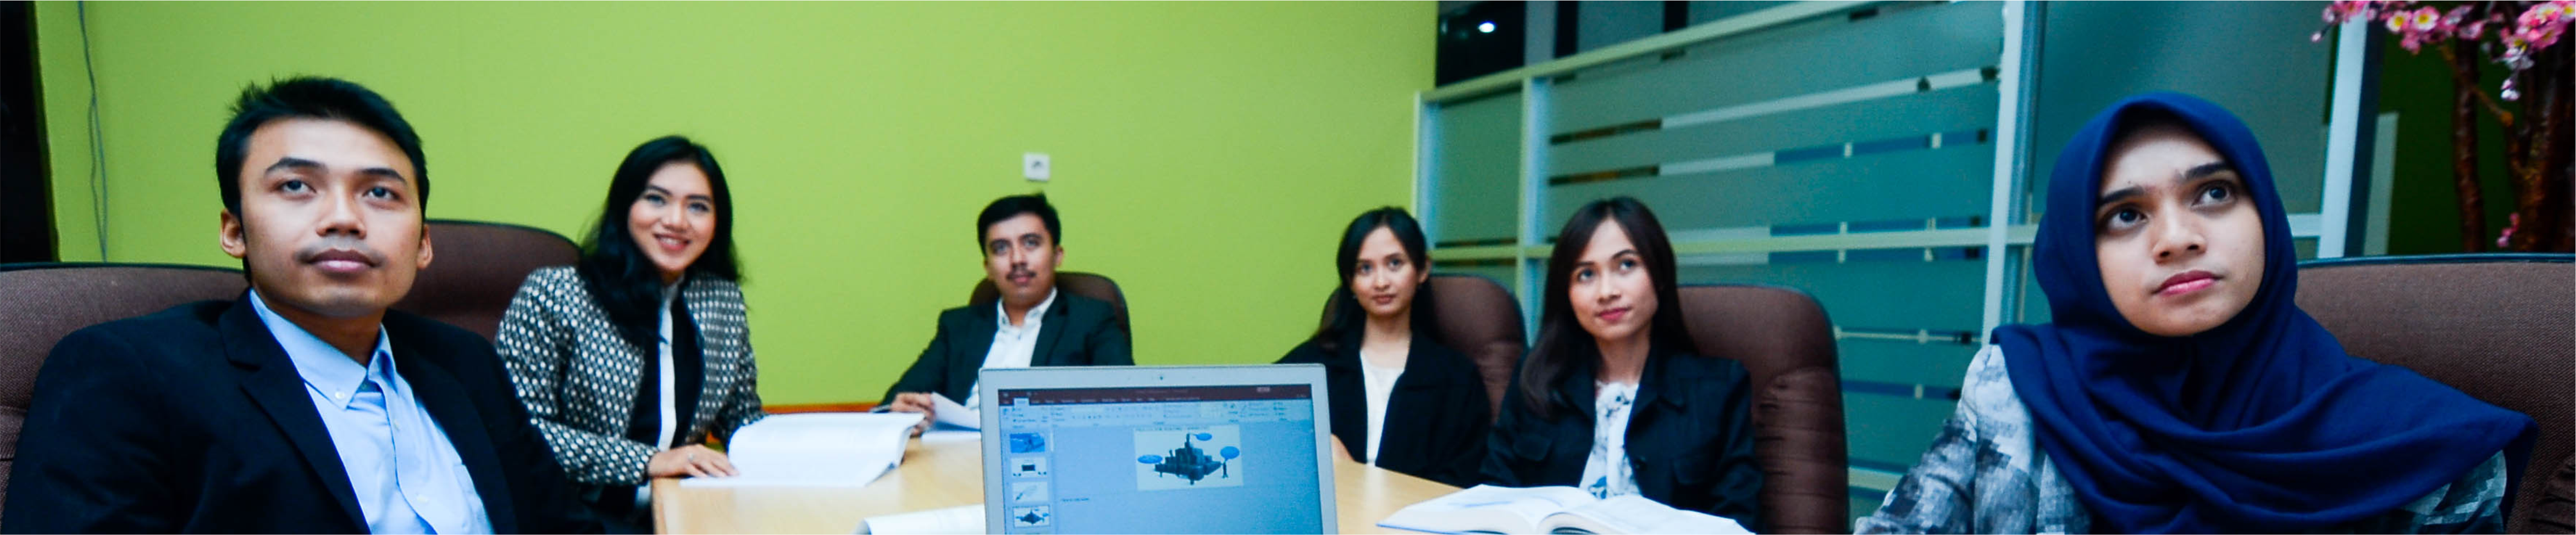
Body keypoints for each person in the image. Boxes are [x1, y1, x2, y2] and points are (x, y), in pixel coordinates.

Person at [1855, 92, 2535, 533]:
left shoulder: (2422, 451)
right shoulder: (2017, 389)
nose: (2177, 238)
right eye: (2126, 215)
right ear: (2078, 257)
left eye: (2213, 193)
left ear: (2266, 214)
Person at [2, 76, 598, 533]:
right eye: (296, 186)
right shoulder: (125, 374)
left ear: (422, 243)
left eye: (380, 192)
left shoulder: (463, 362)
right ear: (234, 230)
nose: (344, 218)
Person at [493, 136, 765, 531]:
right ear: (625, 208)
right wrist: (648, 461)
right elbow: (522, 431)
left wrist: (827, 449)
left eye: (698, 207)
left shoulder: (721, 300)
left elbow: (742, 419)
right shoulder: (556, 293)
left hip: (680, 511)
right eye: (656, 199)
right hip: (568, 515)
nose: (677, 220)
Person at [1481, 197, 1763, 529]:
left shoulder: (1719, 391)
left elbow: (1737, 519)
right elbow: (1494, 498)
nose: (1607, 292)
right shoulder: (1536, 378)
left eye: (1626, 265)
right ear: (1567, 293)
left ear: (1659, 274)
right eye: (1586, 274)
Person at [880, 193, 1132, 432]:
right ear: (988, 268)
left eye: (1031, 243)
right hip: (958, 452)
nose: (1017, 259)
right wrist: (900, 411)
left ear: (1057, 255)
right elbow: (898, 399)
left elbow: (1127, 403)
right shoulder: (958, 327)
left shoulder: (1091, 319)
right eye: (1001, 248)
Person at [1274, 207, 1489, 487]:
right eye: (1365, 269)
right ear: (1350, 281)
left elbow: (1463, 481)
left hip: (1418, 514)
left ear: (1423, 269)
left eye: (1395, 264)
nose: (1381, 282)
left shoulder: (1457, 377)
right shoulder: (1310, 365)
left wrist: (1352, 473)